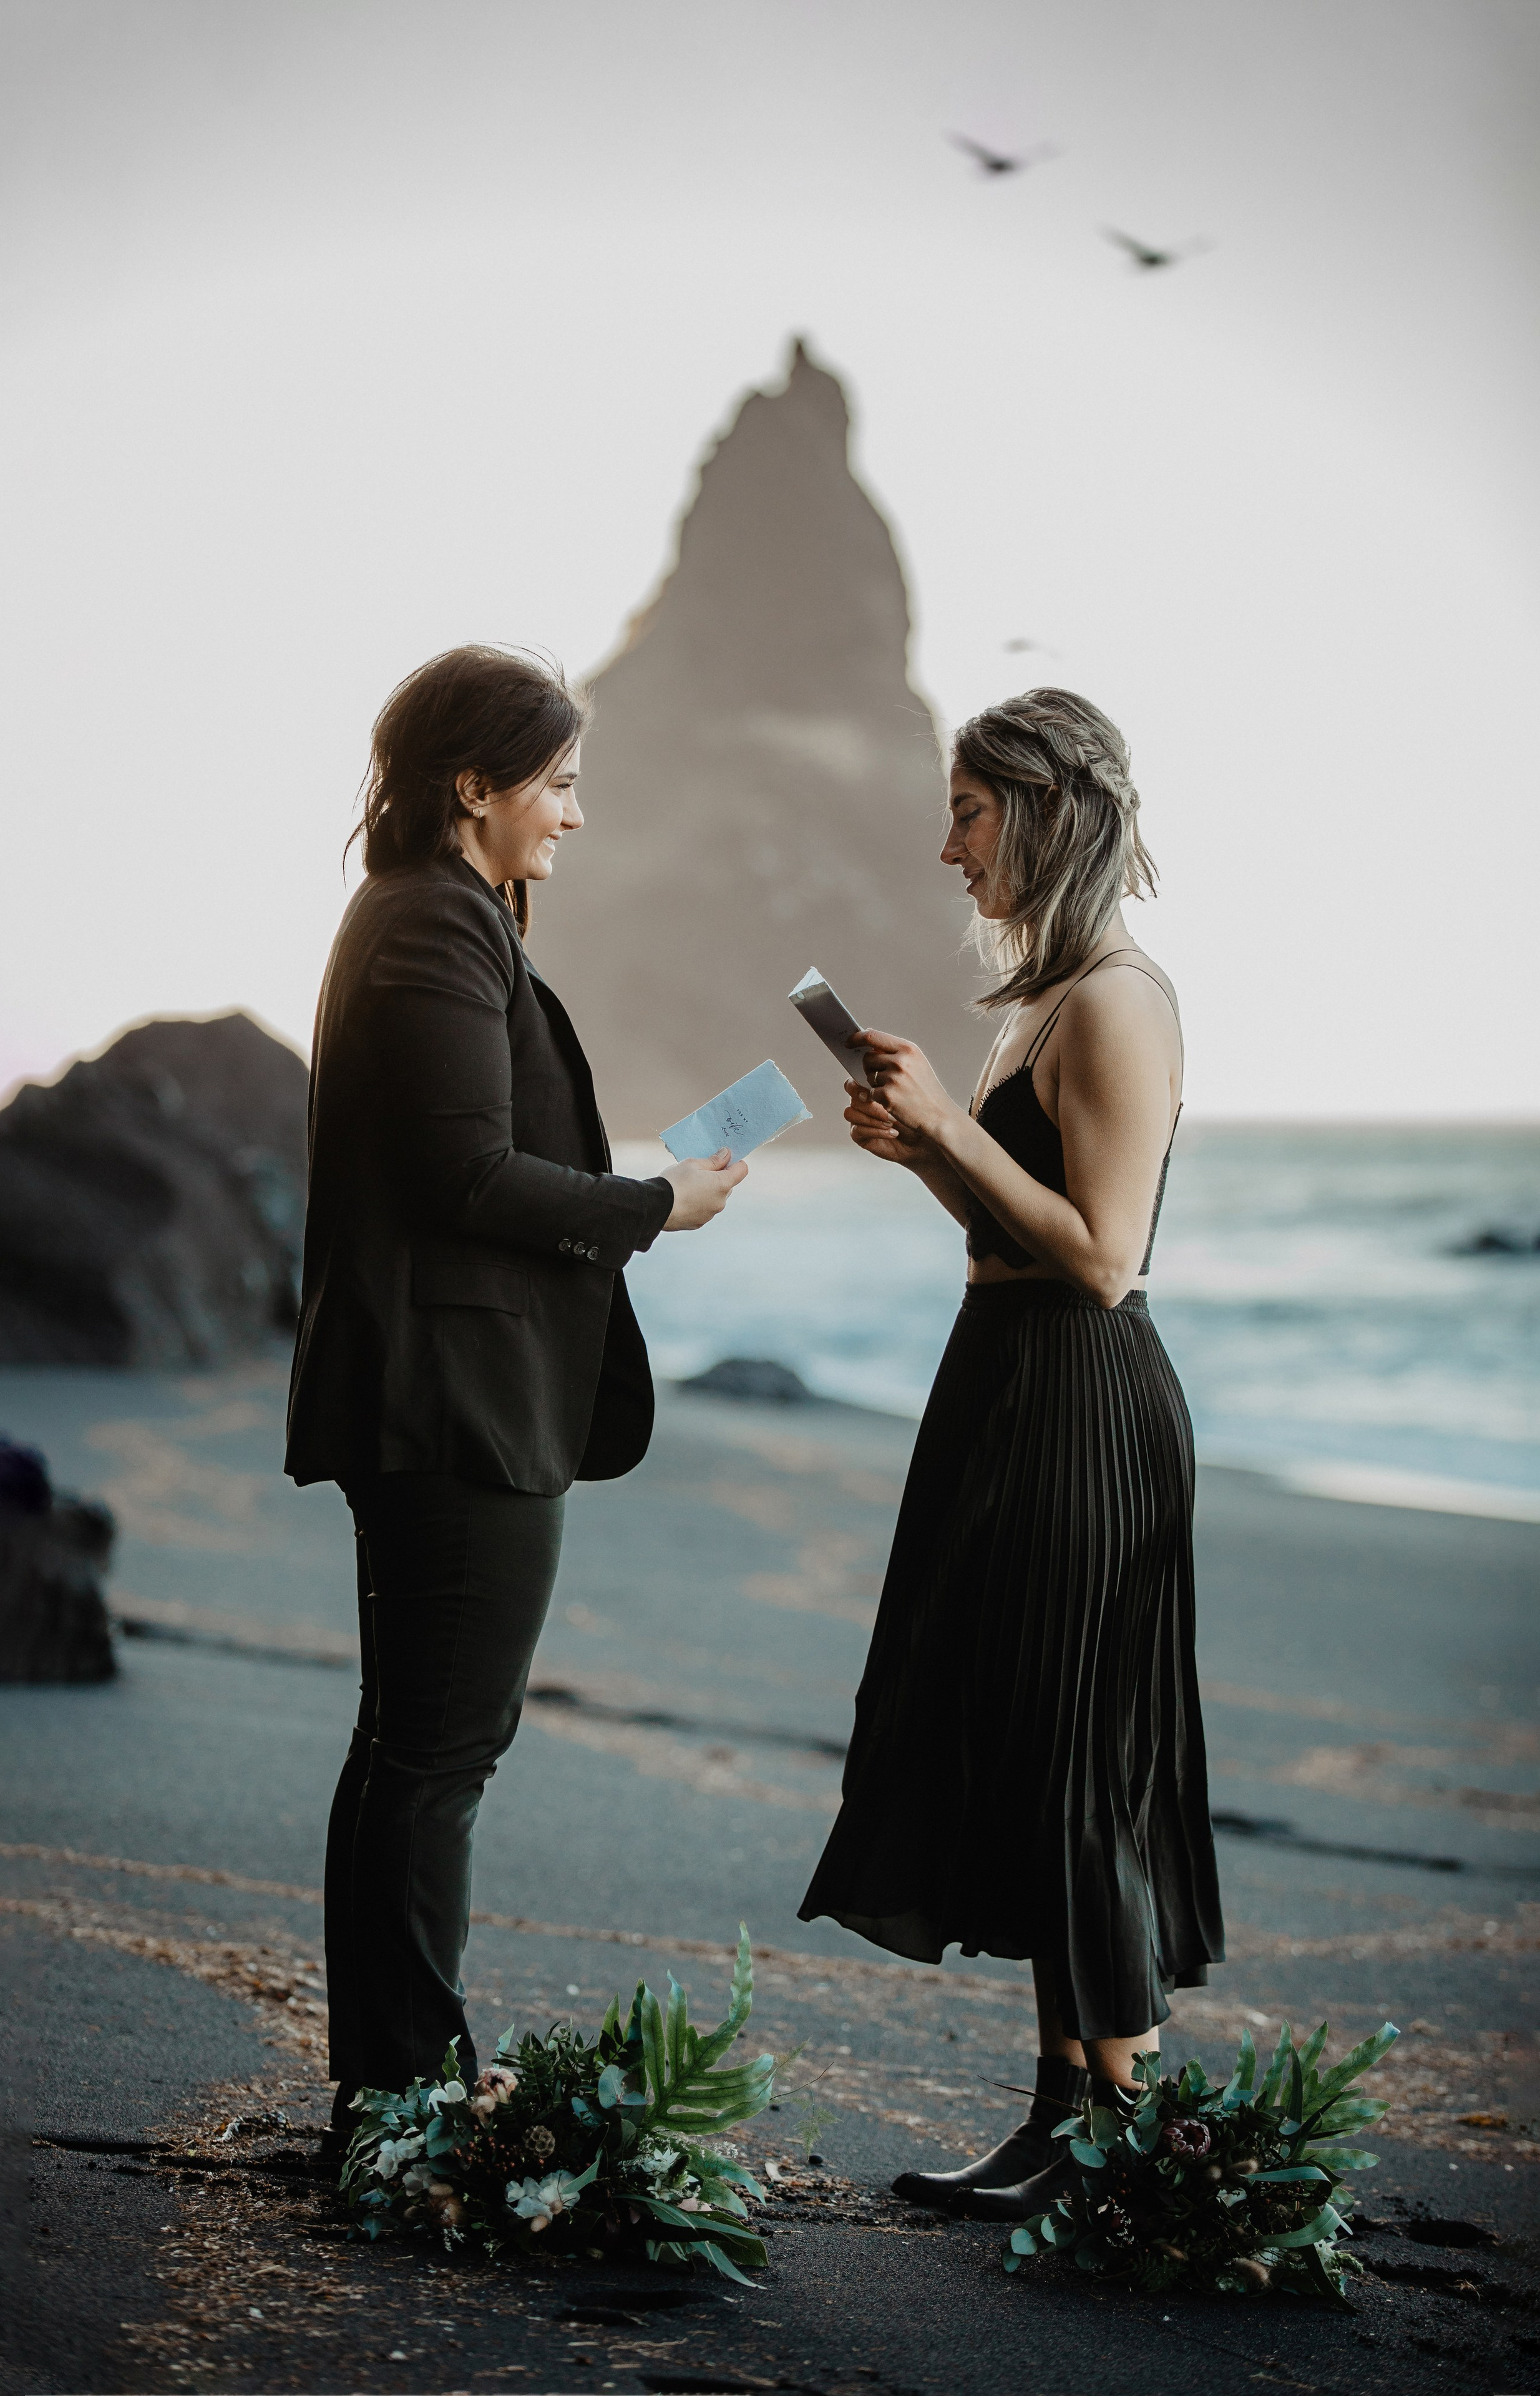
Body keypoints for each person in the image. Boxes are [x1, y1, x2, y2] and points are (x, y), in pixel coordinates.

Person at [286, 645, 744, 2132]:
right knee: (434, 1755)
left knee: (414, 1749)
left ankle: (392, 2082)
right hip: (451, 1402)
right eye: (555, 781)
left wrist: (642, 1193)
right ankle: (401, 2095)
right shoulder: (430, 922)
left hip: (448, 1392)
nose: (574, 813)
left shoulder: (446, 916)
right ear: (468, 785)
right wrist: (650, 1205)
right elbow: (462, 1174)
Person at [798, 688, 1223, 2220]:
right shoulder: (1045, 1005)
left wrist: (954, 1137)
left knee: (1074, 1762)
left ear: (1044, 813)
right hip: (1000, 1380)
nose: (945, 845)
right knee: (1021, 1744)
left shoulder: (1116, 998)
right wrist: (929, 1152)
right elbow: (1007, 1240)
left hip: (1077, 1402)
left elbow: (1104, 1259)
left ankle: (1128, 2128)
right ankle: (1062, 2118)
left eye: (968, 812)